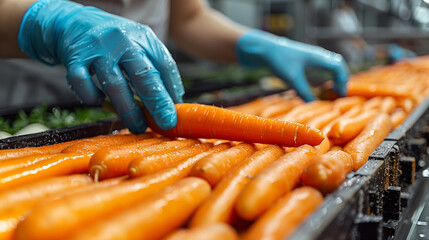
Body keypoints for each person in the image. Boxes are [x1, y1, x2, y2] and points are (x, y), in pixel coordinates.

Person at [0, 0, 349, 133]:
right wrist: (46, 22)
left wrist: (256, 45)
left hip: (139, 113)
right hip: (26, 101)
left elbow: (188, 17)